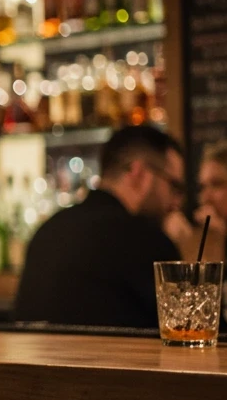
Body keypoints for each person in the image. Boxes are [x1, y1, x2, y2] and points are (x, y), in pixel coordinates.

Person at [15, 125, 184, 329]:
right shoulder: (146, 239)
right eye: (174, 186)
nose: (176, 201)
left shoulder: (49, 229)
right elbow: (192, 331)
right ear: (139, 173)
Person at [165, 138, 227, 334]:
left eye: (217, 185)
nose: (205, 197)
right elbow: (194, 321)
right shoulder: (208, 239)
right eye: (202, 187)